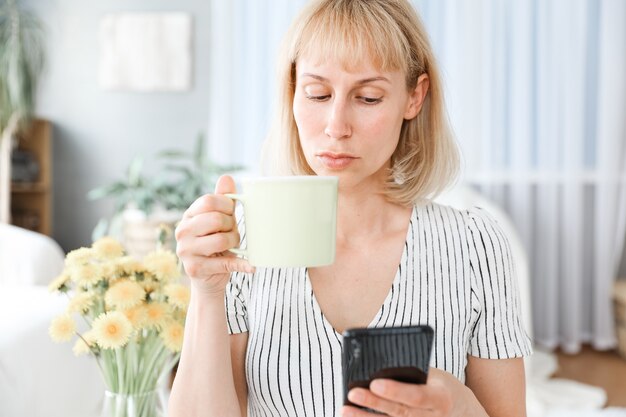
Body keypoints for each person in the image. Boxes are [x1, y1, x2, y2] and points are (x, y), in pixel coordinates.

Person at [169, 0, 532, 416]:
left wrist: (458, 403)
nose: (336, 127)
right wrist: (206, 292)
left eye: (369, 97)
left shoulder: (474, 244)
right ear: (291, 94)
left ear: (414, 97)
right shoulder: (241, 242)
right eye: (318, 94)